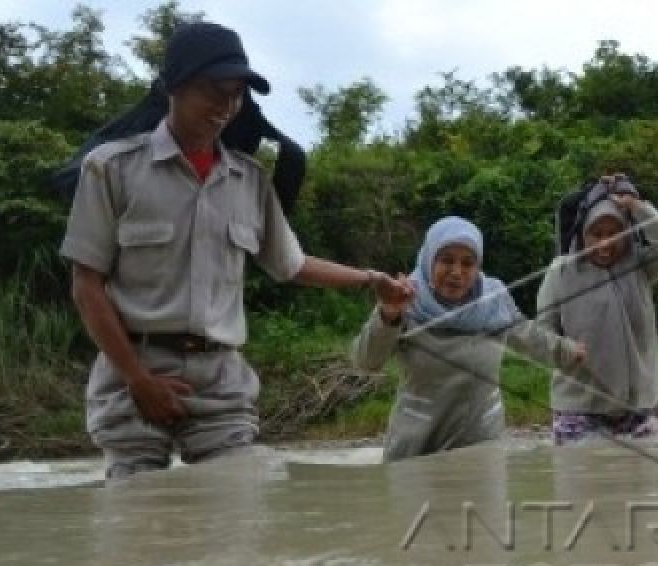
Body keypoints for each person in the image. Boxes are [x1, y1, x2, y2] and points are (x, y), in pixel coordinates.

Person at [60, 21, 411, 479]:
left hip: (221, 379)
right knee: (137, 517)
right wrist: (137, 380)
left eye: (237, 94)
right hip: (135, 372)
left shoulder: (250, 180)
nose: (227, 106)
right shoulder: (112, 168)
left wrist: (371, 279)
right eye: (214, 90)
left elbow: (292, 265)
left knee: (238, 509)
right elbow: (87, 285)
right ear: (174, 86)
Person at [350, 217, 586, 462]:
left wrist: (569, 353)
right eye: (446, 260)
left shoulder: (493, 302)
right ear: (429, 259)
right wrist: (388, 315)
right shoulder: (404, 299)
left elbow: (528, 336)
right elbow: (366, 361)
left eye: (467, 263)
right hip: (417, 447)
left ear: (478, 266)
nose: (456, 272)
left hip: (482, 444)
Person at [536, 176, 658, 445]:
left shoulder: (639, 265)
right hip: (579, 408)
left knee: (641, 482)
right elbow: (543, 330)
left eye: (613, 233)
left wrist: (636, 207)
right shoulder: (561, 271)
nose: (605, 243)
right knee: (583, 481)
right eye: (596, 233)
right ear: (583, 234)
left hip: (637, 407)